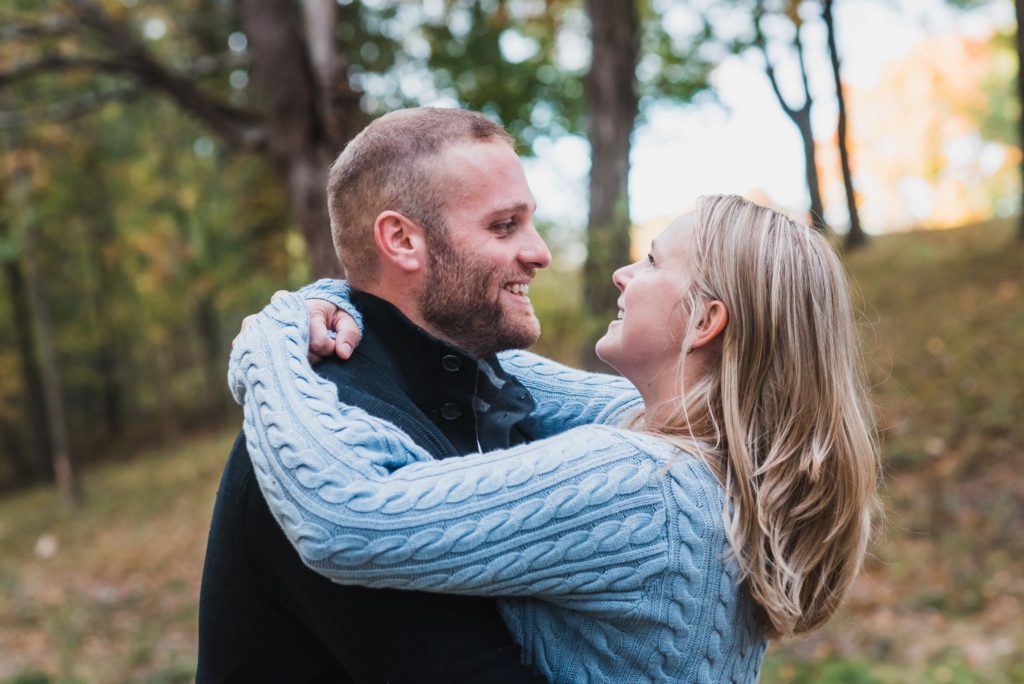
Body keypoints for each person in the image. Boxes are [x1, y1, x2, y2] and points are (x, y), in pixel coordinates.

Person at [230, 194, 881, 683]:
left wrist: (272, 332)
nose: (625, 274)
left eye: (652, 261)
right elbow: (479, 363)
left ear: (707, 319)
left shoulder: (647, 486)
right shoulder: (699, 449)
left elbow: (348, 518)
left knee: (269, 469)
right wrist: (339, 301)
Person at [198, 107, 558, 682]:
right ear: (402, 241)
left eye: (530, 221)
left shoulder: (481, 399)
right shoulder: (329, 443)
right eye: (503, 226)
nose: (540, 252)